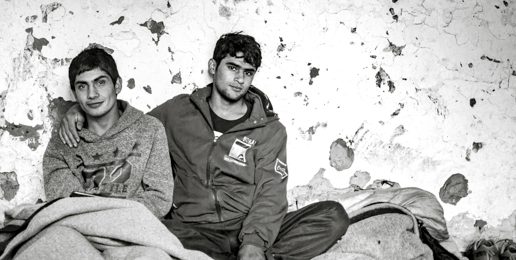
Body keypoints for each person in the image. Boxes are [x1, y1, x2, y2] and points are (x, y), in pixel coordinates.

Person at [59, 33, 349, 259]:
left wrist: (253, 243)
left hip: (246, 225)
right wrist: (80, 110)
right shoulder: (177, 112)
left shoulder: (270, 130)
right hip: (192, 230)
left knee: (333, 216)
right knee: (142, 233)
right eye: (232, 67)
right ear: (213, 67)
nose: (239, 79)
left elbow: (270, 192)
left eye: (248, 72)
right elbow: (133, 128)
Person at [43, 46, 173, 219]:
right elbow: (66, 207)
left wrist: (113, 220)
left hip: (136, 226)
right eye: (82, 86)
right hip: (80, 228)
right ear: (74, 93)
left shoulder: (150, 129)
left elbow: (159, 199)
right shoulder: (60, 145)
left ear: (117, 85)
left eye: (100, 82)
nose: (92, 94)